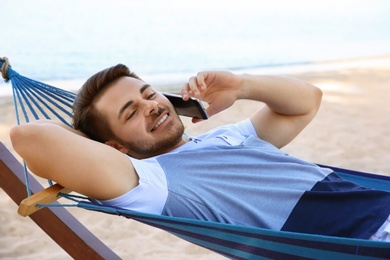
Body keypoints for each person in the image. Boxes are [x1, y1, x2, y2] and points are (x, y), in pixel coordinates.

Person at [10, 64, 390, 242]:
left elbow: (307, 101)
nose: (152, 107)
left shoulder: (228, 138)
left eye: (148, 94)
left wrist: (241, 86)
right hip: (363, 239)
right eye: (131, 112)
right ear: (115, 148)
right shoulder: (149, 183)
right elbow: (29, 136)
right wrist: (91, 143)